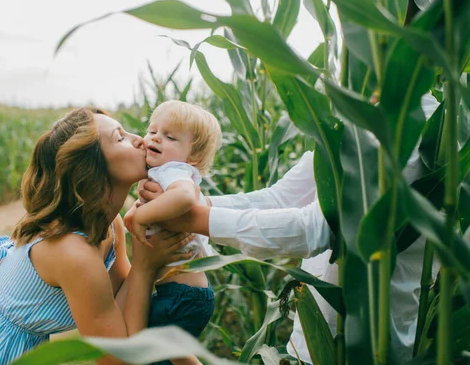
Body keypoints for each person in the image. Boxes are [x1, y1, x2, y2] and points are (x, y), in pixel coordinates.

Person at [137, 95, 441, 364]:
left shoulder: (426, 128)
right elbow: (280, 198)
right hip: (315, 336)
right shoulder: (355, 124)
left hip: (371, 348)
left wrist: (190, 218)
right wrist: (196, 203)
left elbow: (321, 227)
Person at [0, 108, 195, 365]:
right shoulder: (73, 252)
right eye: (119, 138)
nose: (140, 140)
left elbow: (124, 308)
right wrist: (145, 265)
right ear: (91, 168)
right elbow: (115, 359)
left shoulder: (111, 226)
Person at [124, 101, 221, 358]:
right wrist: (135, 212)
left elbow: (186, 197)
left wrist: (142, 215)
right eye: (153, 130)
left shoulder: (174, 171)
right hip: (184, 293)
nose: (156, 137)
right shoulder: (162, 174)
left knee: (149, 355)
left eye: (170, 136)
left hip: (182, 295)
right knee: (172, 356)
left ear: (193, 157)